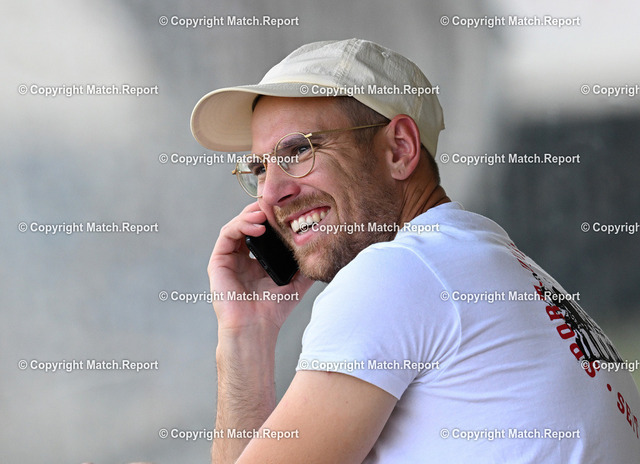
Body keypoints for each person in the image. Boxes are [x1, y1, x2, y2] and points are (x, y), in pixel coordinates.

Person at [190, 38, 640, 463]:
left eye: (298, 151)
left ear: (400, 149)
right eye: (259, 168)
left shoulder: (399, 272)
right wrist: (248, 330)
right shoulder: (476, 257)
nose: (271, 194)